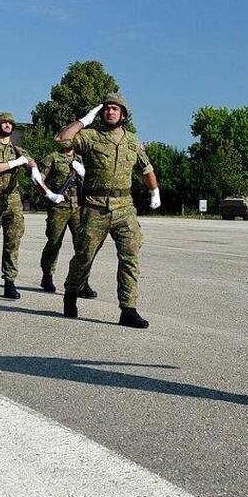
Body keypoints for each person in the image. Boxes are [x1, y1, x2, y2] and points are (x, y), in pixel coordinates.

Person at [56, 93, 161, 328]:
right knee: (84, 256)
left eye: (115, 109)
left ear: (123, 114)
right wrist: (85, 119)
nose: (110, 112)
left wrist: (154, 192)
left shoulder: (132, 140)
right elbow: (62, 139)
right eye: (106, 109)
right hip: (95, 207)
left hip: (125, 207)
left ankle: (128, 309)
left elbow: (146, 168)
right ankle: (71, 292)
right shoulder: (91, 137)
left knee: (130, 257)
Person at [0, 112, 65, 299]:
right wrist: (15, 163)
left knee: (13, 242)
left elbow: (33, 169)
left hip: (13, 200)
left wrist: (45, 188)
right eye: (3, 123)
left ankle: (9, 282)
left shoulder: (19, 150)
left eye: (10, 123)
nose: (7, 125)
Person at [37, 140, 96, 298]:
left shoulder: (82, 159)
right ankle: (47, 276)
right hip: (58, 207)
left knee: (83, 246)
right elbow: (38, 179)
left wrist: (84, 173)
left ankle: (82, 282)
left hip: (78, 207)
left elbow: (93, 180)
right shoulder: (52, 158)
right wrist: (50, 194)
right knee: (54, 242)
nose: (67, 141)